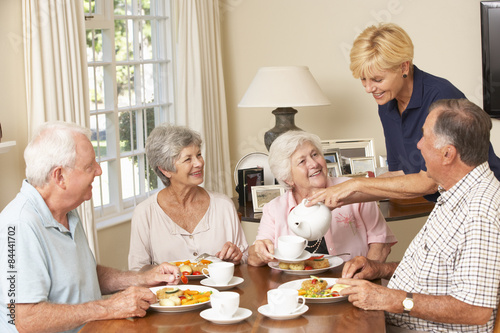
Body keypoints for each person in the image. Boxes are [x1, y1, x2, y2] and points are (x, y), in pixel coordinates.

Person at [0, 121, 182, 333]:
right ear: (60, 177)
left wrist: (142, 278)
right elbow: (27, 319)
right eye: (89, 166)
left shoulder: (67, 210)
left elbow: (85, 275)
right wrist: (109, 307)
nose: (98, 171)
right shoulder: (18, 225)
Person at [337, 99, 500, 332]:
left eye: (424, 137)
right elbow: (438, 271)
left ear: (447, 154)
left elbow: (475, 309)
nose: (419, 144)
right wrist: (380, 269)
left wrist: (389, 298)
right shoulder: (457, 190)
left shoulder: (481, 211)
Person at [307, 23, 500, 208]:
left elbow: (430, 181)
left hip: (483, 202)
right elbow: (397, 175)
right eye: (363, 79)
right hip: (448, 205)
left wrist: (355, 184)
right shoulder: (387, 103)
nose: (368, 88)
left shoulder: (440, 97)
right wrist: (336, 197)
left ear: (404, 67)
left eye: (377, 79)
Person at [248, 131, 397, 267]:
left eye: (315, 154)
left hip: (351, 284)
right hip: (294, 288)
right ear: (288, 178)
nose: (314, 164)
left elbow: (381, 244)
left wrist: (364, 275)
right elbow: (254, 258)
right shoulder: (274, 209)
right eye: (302, 161)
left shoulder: (354, 190)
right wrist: (260, 251)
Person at [128, 124, 248, 271]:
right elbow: (137, 270)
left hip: (221, 293)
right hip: (171, 293)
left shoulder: (223, 205)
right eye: (187, 159)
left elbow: (245, 257)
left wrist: (237, 256)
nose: (198, 163)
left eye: (198, 155)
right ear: (165, 170)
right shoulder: (145, 213)